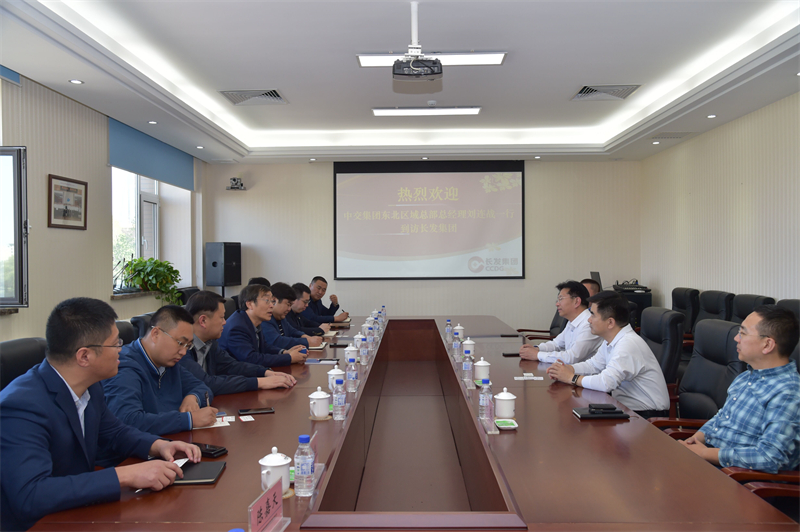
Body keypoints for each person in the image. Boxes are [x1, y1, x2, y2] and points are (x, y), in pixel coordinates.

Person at [0, 298, 200, 531]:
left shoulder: (90, 387)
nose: (121, 350)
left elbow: (115, 432)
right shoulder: (21, 406)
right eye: (115, 344)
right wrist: (123, 475)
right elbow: (31, 495)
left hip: (77, 512)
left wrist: (158, 445)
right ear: (84, 356)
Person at [680, 305, 800, 473]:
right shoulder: (746, 376)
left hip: (739, 478)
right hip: (713, 463)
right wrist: (695, 440)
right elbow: (722, 417)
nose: (736, 338)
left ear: (767, 344)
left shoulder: (788, 392)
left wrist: (705, 453)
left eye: (743, 333)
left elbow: (770, 457)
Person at [547, 291, 670, 418]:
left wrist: (571, 378)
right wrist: (569, 369)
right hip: (624, 408)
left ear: (610, 322)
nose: (589, 320)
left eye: (593, 315)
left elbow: (606, 383)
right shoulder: (612, 340)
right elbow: (593, 365)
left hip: (646, 417)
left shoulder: (628, 345)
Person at [103, 305, 218, 437]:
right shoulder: (124, 366)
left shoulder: (169, 363)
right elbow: (128, 420)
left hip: (172, 440)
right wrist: (189, 420)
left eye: (188, 346)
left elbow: (203, 387)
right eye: (180, 343)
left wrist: (193, 398)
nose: (183, 352)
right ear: (155, 334)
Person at [181, 291, 296, 395]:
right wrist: (259, 382)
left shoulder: (210, 342)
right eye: (221, 317)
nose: (225, 322)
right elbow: (206, 383)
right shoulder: (182, 349)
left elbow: (232, 366)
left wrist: (265, 372)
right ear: (203, 321)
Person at [219, 284, 308, 367]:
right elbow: (251, 359)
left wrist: (285, 352)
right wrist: (289, 358)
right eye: (267, 301)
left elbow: (264, 347)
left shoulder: (253, 321)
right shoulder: (237, 327)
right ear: (250, 304)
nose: (272, 306)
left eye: (272, 301)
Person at [520, 281, 602, 364]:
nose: (557, 304)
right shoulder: (572, 321)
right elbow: (556, 344)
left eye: (561, 299)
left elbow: (572, 357)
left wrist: (537, 355)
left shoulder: (589, 324)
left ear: (576, 301)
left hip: (582, 371)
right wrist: (537, 348)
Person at [261, 282, 323, 349]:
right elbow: (277, 341)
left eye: (290, 305)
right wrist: (307, 341)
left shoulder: (281, 317)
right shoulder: (265, 319)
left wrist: (305, 337)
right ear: (274, 300)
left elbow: (292, 331)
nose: (289, 309)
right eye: (288, 304)